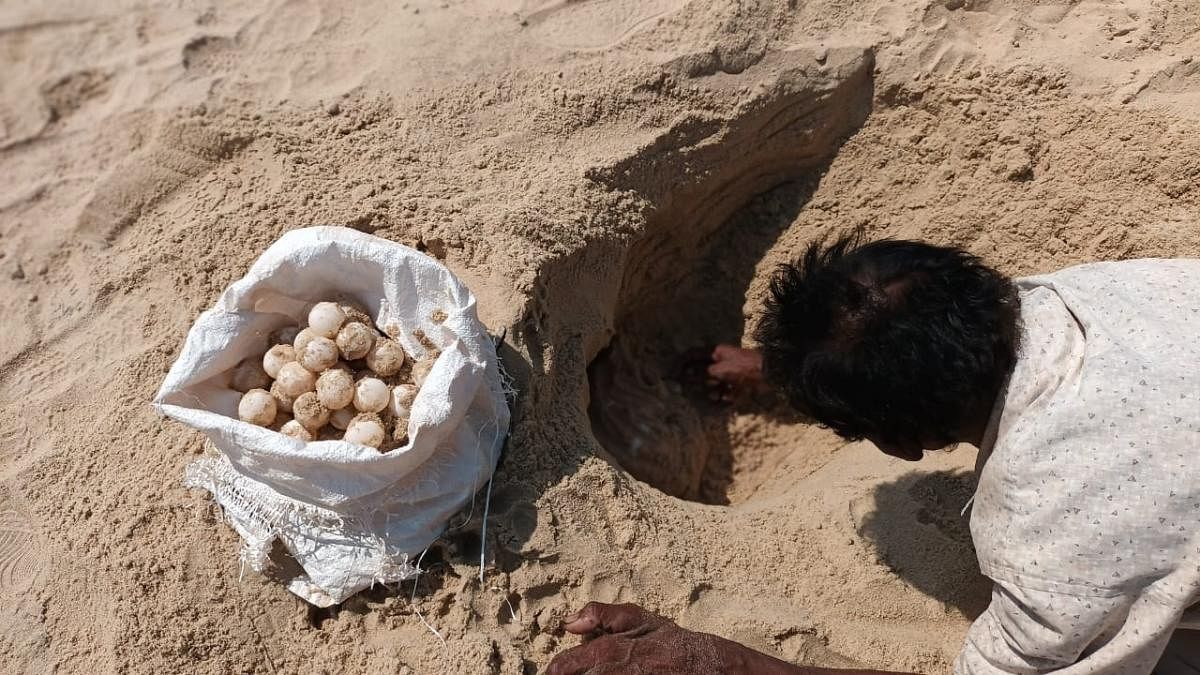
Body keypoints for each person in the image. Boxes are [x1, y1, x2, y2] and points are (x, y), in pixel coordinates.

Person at [547, 235, 1200, 674]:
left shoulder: (1048, 546)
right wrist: (786, 368)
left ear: (898, 447)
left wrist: (717, 661)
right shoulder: (1113, 289)